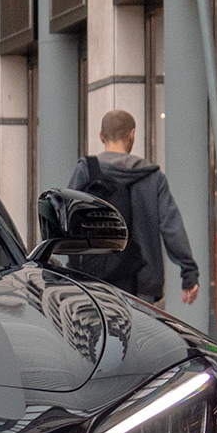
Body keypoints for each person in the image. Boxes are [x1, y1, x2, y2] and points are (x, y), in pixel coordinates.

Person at [67, 110, 199, 306]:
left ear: (101, 136)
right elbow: (172, 228)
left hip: (94, 280)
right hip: (141, 282)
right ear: (132, 135)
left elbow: (67, 219)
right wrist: (188, 272)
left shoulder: (87, 170)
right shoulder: (153, 177)